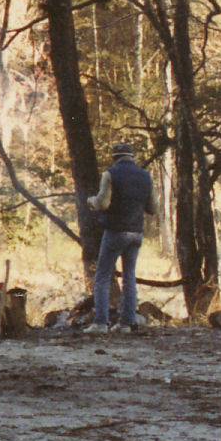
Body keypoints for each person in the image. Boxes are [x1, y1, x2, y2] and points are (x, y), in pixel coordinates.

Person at [86, 141, 155, 332]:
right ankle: (126, 323)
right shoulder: (146, 176)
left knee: (102, 276)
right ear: (131, 157)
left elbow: (103, 203)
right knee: (129, 277)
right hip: (136, 233)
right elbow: (153, 208)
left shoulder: (110, 173)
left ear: (115, 158)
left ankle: (100, 322)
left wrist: (91, 201)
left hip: (115, 232)